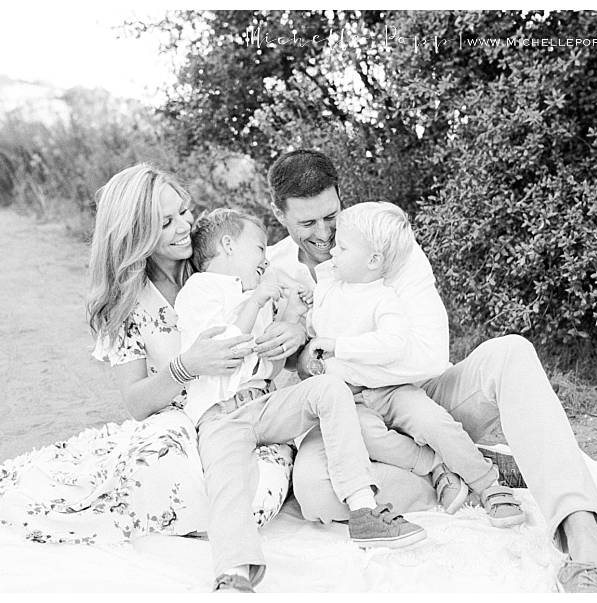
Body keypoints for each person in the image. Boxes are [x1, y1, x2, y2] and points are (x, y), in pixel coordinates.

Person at [265, 149, 597, 593]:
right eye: (308, 224)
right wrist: (298, 356)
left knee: (511, 352)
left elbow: (426, 354)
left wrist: (323, 357)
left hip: (419, 397)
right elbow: (274, 364)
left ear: (342, 198)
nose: (325, 236)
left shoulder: (385, 246)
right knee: (316, 493)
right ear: (279, 214)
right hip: (344, 418)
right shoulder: (271, 267)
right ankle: (462, 464)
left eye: (332, 217)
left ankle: (584, 540)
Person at [173, 207, 426, 592]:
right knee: (228, 480)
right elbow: (224, 350)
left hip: (263, 403)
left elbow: (269, 368)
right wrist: (258, 300)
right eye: (258, 248)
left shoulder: (249, 295)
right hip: (220, 415)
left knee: (330, 387)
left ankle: (363, 508)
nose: (264, 259)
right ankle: (236, 571)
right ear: (227, 245)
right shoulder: (202, 289)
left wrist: (293, 311)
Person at [300, 200, 524, 526]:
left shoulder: (384, 298)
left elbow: (392, 344)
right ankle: (436, 465)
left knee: (434, 422)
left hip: (393, 389)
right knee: (368, 436)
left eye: (343, 247)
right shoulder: (331, 284)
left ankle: (488, 483)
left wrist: (339, 346)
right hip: (350, 397)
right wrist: (309, 311)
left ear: (374, 260)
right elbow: (318, 322)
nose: (333, 252)